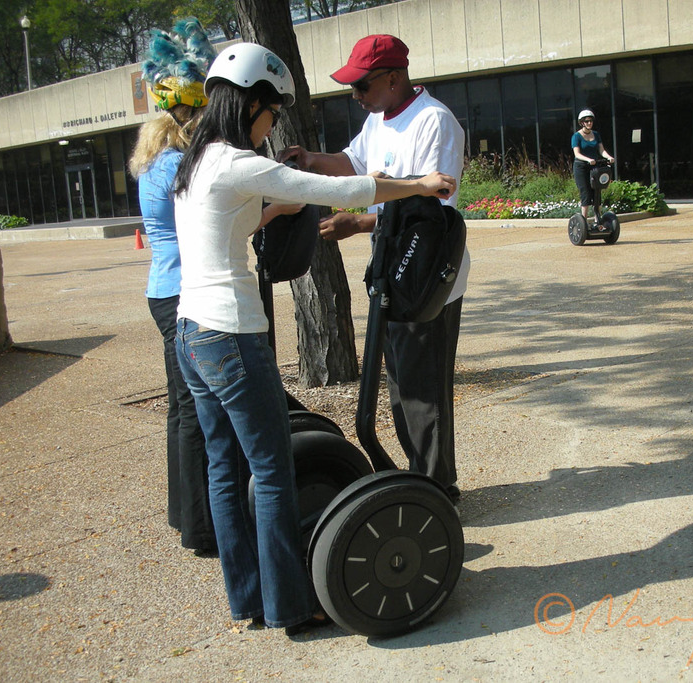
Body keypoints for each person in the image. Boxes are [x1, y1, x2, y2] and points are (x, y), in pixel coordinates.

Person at [171, 41, 456, 634]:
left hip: (191, 334)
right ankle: (291, 606)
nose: (273, 126)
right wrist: (421, 185)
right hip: (231, 336)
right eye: (273, 113)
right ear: (253, 105)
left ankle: (248, 598)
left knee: (226, 471)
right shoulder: (235, 161)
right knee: (272, 471)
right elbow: (348, 192)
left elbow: (242, 215)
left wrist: (274, 209)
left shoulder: (195, 165)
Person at [277, 34, 467, 504]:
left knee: (424, 392)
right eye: (353, 88)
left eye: (362, 85)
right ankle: (420, 479)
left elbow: (433, 206)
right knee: (401, 386)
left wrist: (358, 222)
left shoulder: (434, 123)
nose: (356, 96)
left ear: (393, 77)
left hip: (427, 274)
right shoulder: (380, 119)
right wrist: (311, 161)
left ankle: (437, 490)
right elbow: (353, 163)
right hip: (392, 270)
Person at [128, 18, 217, 556]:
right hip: (181, 294)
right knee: (192, 409)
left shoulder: (154, 162)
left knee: (184, 408)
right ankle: (198, 524)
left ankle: (186, 515)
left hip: (164, 289)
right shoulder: (178, 166)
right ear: (189, 116)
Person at [571, 109, 615, 222]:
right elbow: (577, 154)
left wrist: (609, 157)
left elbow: (601, 150)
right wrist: (588, 159)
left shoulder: (596, 134)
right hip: (581, 167)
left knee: (596, 192)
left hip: (594, 167)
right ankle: (583, 222)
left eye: (591, 121)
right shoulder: (576, 136)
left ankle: (598, 220)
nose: (589, 123)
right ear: (581, 123)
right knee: (585, 192)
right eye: (586, 121)